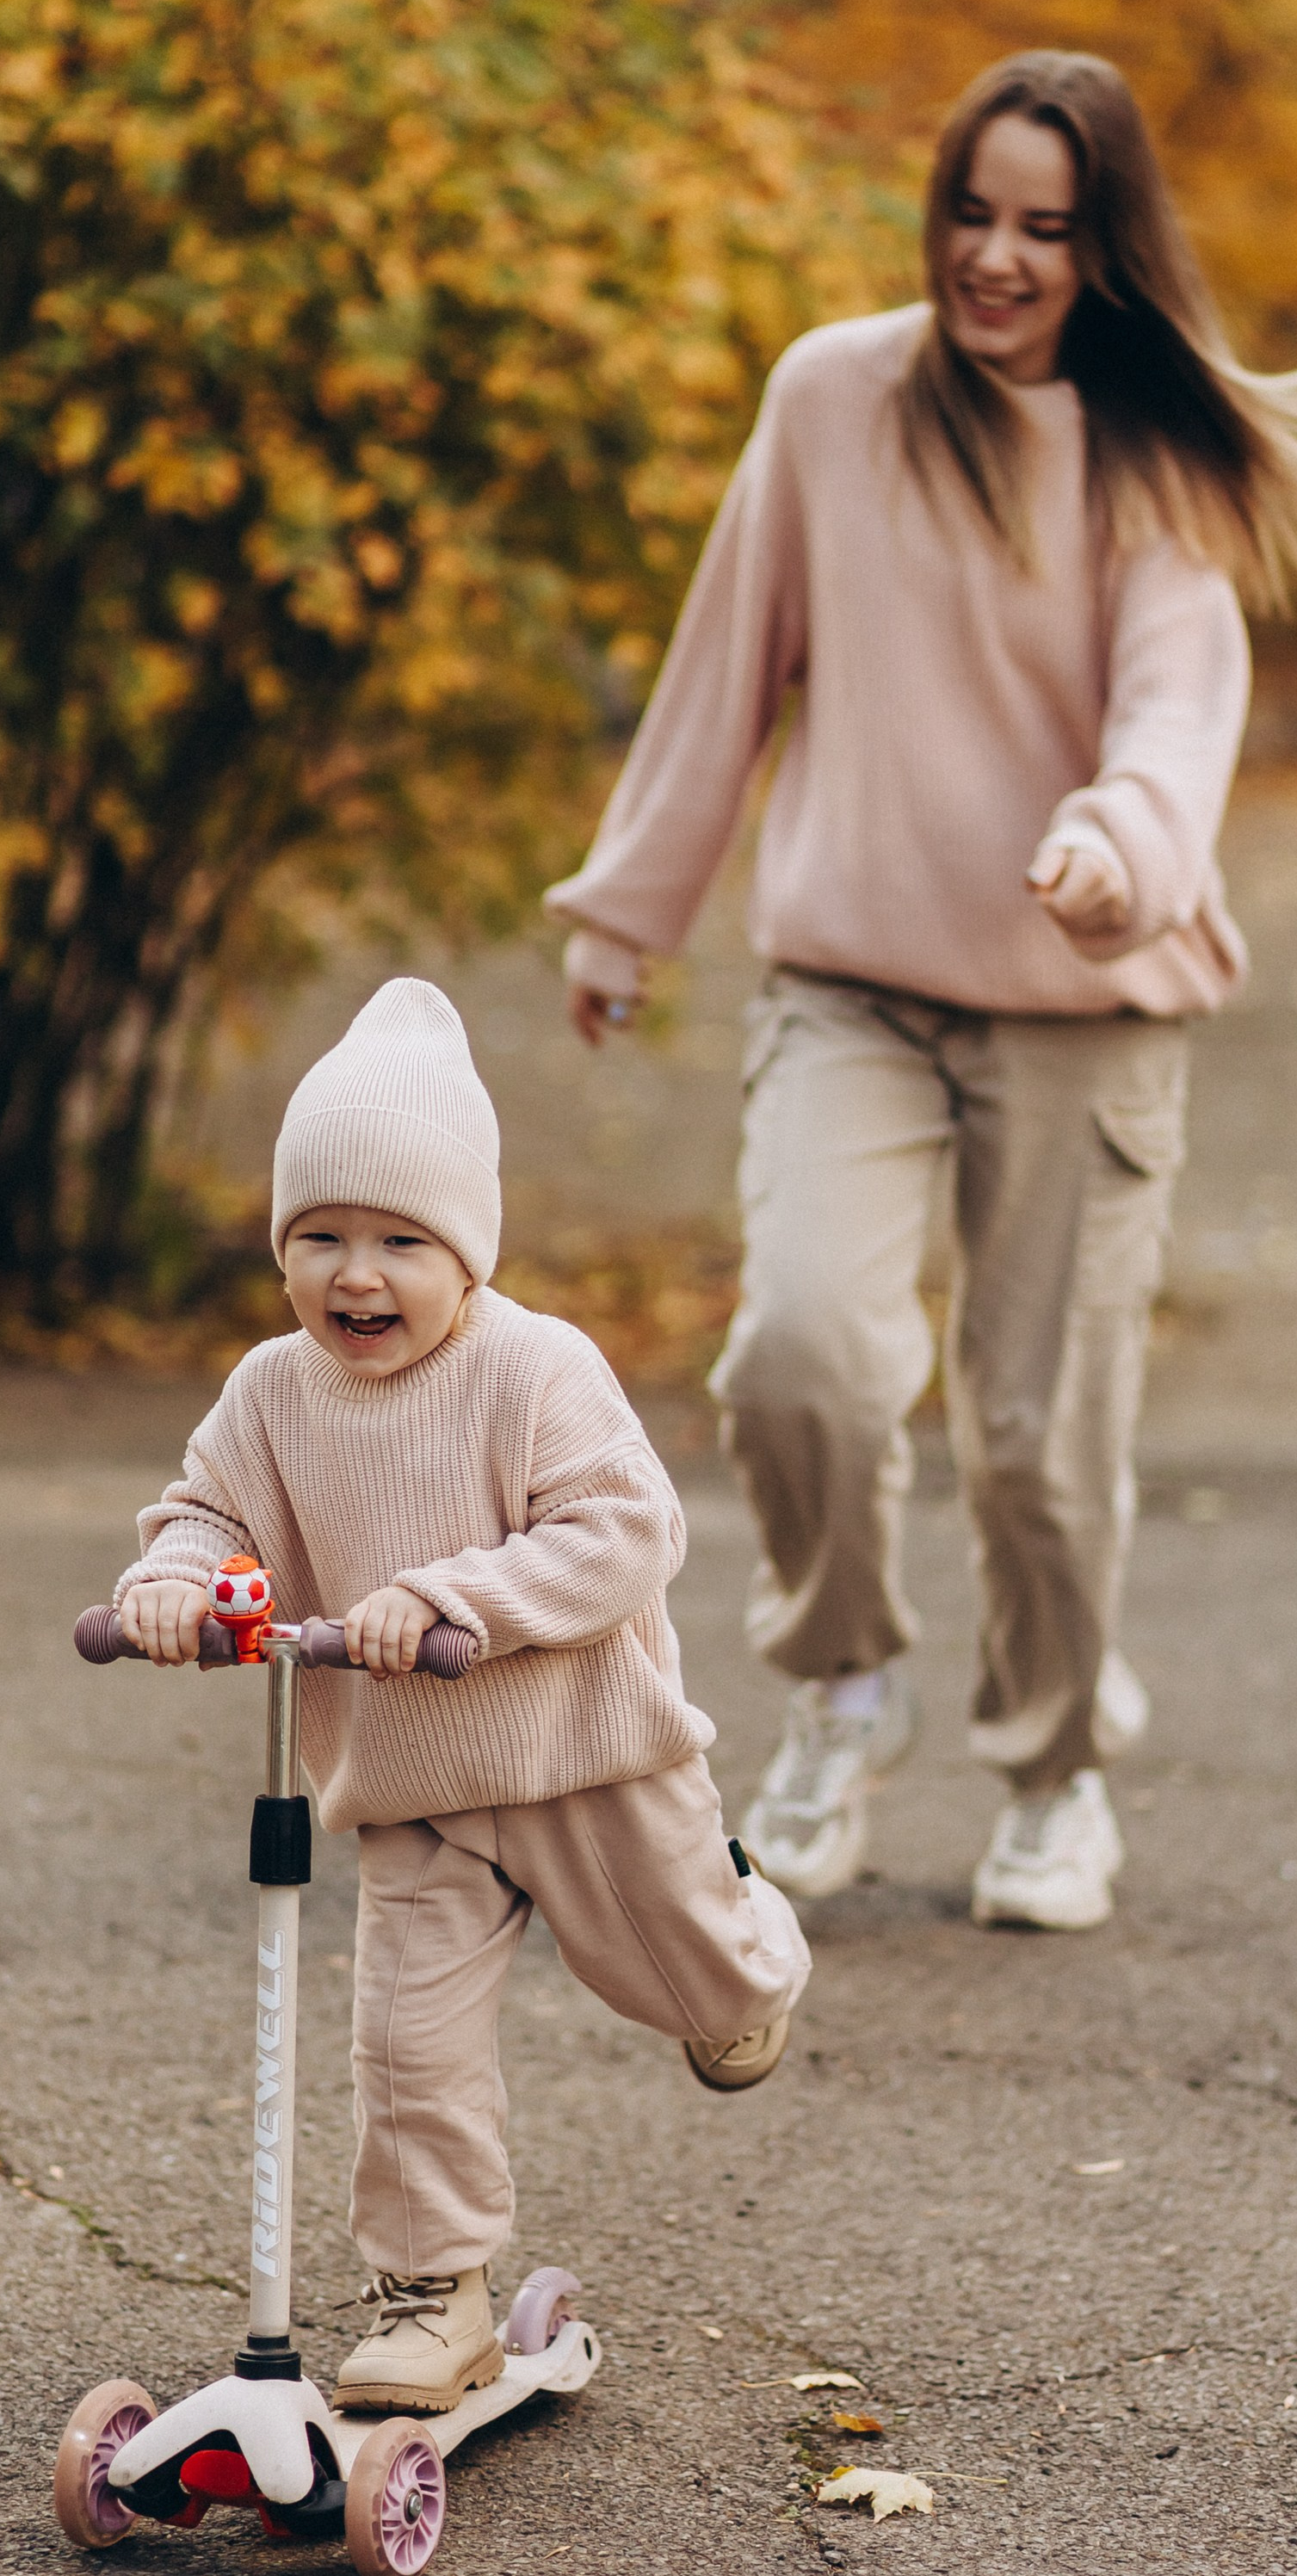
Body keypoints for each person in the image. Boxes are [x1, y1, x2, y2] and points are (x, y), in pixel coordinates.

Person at [546, 49, 1297, 1930]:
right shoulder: (835, 398)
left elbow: (1179, 716)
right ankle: (844, 1690)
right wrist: (631, 916)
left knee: (1038, 1438)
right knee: (804, 1358)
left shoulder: (1155, 461)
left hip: (1086, 1009)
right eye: (972, 214)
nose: (995, 259)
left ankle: (1057, 1772)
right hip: (853, 983)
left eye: (1046, 228)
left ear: (1108, 252)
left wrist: (1120, 854)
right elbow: (727, 663)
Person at [111, 977, 809, 2417]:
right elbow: (204, 1511)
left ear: (468, 1255)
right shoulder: (270, 1391)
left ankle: (752, 1933)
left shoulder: (533, 1368)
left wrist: (451, 1597)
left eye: (398, 1242)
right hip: (412, 1784)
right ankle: (435, 2294)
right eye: (319, 1239)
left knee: (693, 1991)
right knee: (407, 2051)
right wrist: (174, 1585)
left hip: (586, 1762)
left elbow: (630, 1534)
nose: (355, 1277)